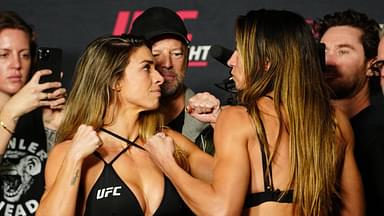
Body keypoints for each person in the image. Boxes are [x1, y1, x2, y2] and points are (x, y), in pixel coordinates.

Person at [145, 9, 364, 216]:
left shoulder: (237, 119)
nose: (231, 61)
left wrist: (167, 162)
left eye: (241, 51)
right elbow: (354, 212)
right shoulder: (336, 121)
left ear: (266, 63)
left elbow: (220, 210)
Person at [36, 34, 212, 216]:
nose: (159, 77)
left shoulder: (167, 141)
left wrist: (220, 121)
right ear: (115, 82)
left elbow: (233, 188)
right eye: (146, 68)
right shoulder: (70, 152)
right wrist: (74, 159)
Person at [318, 9, 384, 215]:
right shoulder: (308, 130)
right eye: (323, 50)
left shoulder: (380, 131)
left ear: (371, 66)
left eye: (343, 51)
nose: (328, 61)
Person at [0, 11, 65, 215]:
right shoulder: (10, 114)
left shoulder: (44, 111)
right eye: (4, 54)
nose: (17, 65)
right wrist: (9, 113)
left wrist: (53, 128)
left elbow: (61, 190)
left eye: (25, 55)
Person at [130, 6, 219, 155]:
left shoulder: (212, 120)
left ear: (187, 57)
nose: (167, 64)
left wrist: (220, 126)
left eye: (176, 54)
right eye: (155, 54)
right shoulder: (118, 123)